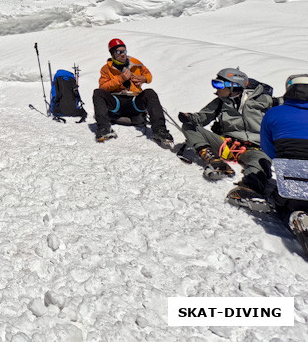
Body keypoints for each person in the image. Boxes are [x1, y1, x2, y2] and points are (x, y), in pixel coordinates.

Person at [178, 68, 274, 211]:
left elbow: (285, 113)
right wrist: (191, 118)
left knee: (260, 163)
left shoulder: (264, 101)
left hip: (255, 147)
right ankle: (215, 162)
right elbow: (202, 118)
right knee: (189, 127)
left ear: (233, 86)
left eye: (218, 85)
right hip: (227, 145)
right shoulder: (220, 102)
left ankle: (249, 188)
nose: (215, 89)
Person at [259, 74, 308, 256]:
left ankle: (296, 216)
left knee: (283, 202)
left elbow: (267, 147)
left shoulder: (273, 113)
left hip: (291, 176)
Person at [93, 38, 173, 146]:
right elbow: (103, 87)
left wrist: (144, 79)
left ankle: (160, 130)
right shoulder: (106, 69)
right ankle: (103, 128)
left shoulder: (136, 64)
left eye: (124, 51)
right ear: (112, 53)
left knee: (150, 93)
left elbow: (148, 75)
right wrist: (120, 79)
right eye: (119, 52)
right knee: (98, 93)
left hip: (134, 100)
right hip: (117, 101)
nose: (123, 54)